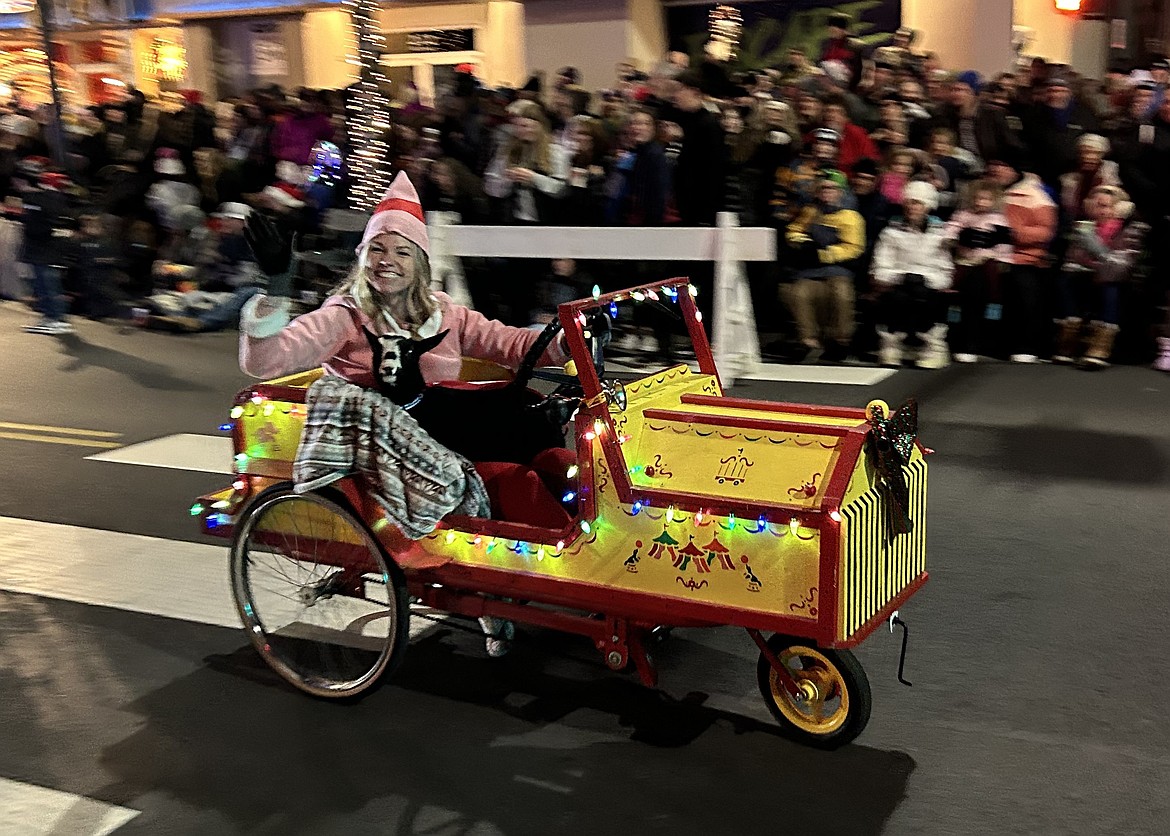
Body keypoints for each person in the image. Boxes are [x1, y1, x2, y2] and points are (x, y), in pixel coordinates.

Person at [238, 171, 575, 656]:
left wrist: (567, 340)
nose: (387, 262)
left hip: (454, 429)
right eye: (377, 249)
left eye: (401, 251)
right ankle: (552, 582)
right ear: (362, 258)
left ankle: (566, 567)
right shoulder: (346, 315)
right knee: (513, 482)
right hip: (395, 456)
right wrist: (275, 286)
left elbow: (512, 344)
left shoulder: (445, 312)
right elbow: (265, 361)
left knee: (554, 463)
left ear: (419, 262)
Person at [1054, 185, 1146, 369]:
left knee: (1109, 288)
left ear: (1118, 208)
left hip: (1116, 280)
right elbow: (1071, 260)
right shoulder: (1084, 227)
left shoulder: (1130, 229)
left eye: (1106, 206)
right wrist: (1093, 261)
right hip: (1087, 276)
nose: (1101, 210)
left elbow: (1122, 266)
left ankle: (1099, 348)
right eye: (1097, 205)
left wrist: (1096, 251)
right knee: (1066, 280)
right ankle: (1069, 340)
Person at [783, 169, 864, 363]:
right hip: (811, 270)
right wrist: (801, 241)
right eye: (823, 188)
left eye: (832, 188)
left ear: (840, 191)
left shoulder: (851, 217)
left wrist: (825, 254)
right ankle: (808, 340)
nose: (827, 192)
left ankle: (840, 340)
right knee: (798, 293)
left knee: (841, 294)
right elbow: (793, 230)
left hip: (838, 269)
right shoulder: (811, 212)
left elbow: (854, 247)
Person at [872, 180, 954, 368]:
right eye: (909, 202)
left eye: (917, 203)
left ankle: (933, 348)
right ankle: (892, 346)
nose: (912, 207)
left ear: (927, 206)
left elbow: (946, 272)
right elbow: (880, 269)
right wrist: (902, 277)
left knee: (928, 298)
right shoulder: (890, 233)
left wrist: (926, 280)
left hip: (927, 286)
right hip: (898, 283)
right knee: (898, 297)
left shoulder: (939, 235)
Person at [988, 152, 1058, 363]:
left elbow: (1045, 232)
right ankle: (996, 344)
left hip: (1024, 257)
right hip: (991, 256)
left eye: (1002, 165)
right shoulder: (986, 191)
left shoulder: (1035, 195)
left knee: (1025, 299)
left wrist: (1013, 235)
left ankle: (1027, 346)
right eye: (993, 165)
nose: (996, 170)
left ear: (1014, 170)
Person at [944, 180, 1013, 362]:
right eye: (977, 198)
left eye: (985, 199)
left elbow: (1004, 244)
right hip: (964, 263)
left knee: (984, 302)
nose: (980, 202)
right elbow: (951, 228)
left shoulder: (998, 220)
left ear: (993, 201)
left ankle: (979, 344)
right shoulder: (963, 216)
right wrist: (950, 238)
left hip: (987, 264)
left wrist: (1000, 259)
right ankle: (959, 343)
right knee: (960, 302)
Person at [18, 164, 75, 335]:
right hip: (52, 250)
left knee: (45, 285)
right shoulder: (59, 199)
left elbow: (34, 225)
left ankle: (53, 318)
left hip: (42, 250)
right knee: (50, 285)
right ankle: (55, 318)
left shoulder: (42, 199)